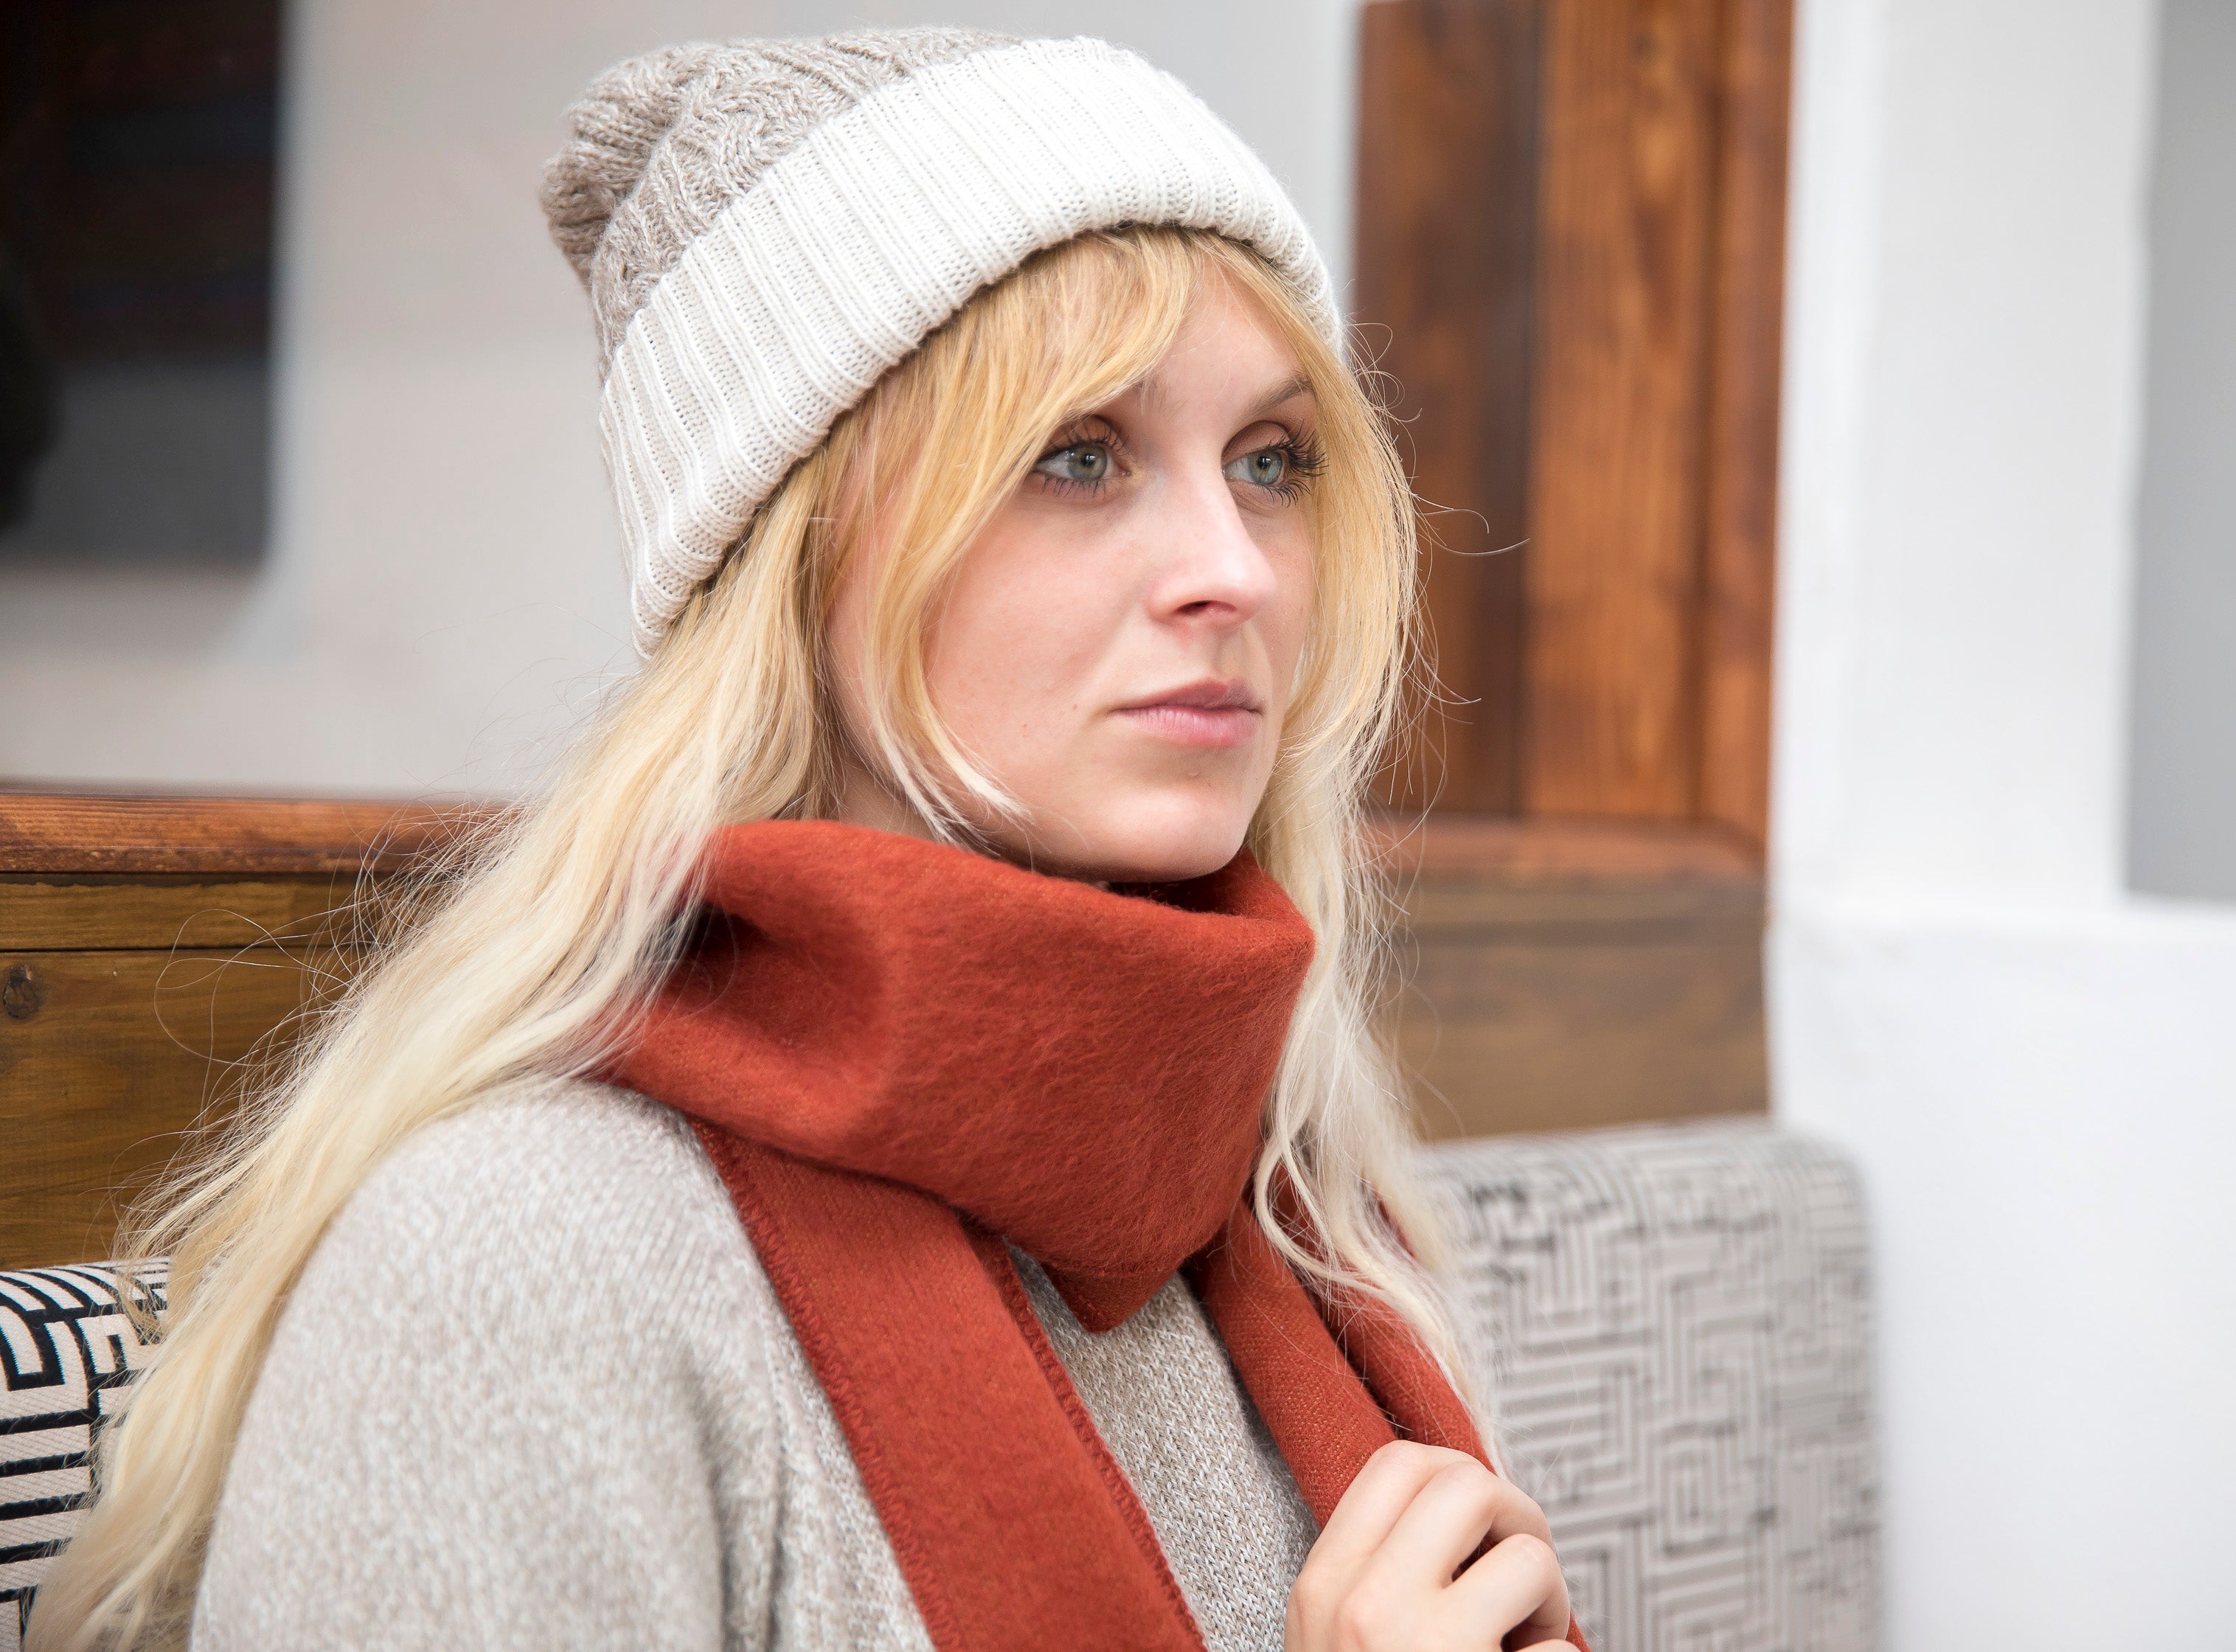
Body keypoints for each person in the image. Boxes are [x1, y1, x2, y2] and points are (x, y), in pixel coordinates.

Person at [30, 30, 1582, 1652]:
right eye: (1077, 454)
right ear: (797, 556)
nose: (1237, 569)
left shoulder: (1299, 1212)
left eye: (1270, 463)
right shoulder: (515, 1272)